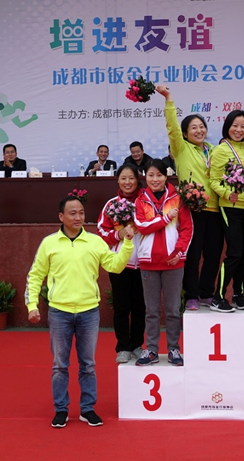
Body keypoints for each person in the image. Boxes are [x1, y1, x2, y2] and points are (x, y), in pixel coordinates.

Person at [26, 195, 135, 428]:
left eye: (81, 213)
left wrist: (127, 244)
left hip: (89, 312)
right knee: (59, 365)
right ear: (61, 216)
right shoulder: (49, 243)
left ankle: (87, 409)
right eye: (72, 213)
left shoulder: (95, 242)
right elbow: (35, 275)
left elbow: (115, 266)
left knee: (88, 364)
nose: (78, 217)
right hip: (59, 312)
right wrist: (32, 305)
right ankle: (61, 410)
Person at [155, 85, 223, 312]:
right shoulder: (181, 149)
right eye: (193, 127)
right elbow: (172, 127)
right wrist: (168, 98)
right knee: (192, 255)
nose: (199, 130)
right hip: (193, 210)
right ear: (184, 134)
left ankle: (206, 293)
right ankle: (191, 295)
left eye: (202, 126)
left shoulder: (215, 150)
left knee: (213, 255)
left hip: (217, 209)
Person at [133, 159, 193, 366]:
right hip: (149, 262)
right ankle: (151, 350)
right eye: (151, 175)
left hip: (173, 262)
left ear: (166, 176)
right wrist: (166, 219)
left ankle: (174, 349)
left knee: (173, 309)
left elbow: (187, 229)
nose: (155, 179)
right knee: (151, 310)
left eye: (159, 175)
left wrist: (179, 252)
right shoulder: (141, 200)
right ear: (145, 177)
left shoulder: (178, 199)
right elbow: (142, 226)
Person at [209, 110, 244, 312]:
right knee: (234, 253)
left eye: (243, 126)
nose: (239, 130)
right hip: (230, 208)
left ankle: (238, 295)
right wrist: (227, 193)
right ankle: (218, 297)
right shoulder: (220, 150)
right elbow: (213, 180)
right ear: (227, 127)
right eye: (235, 126)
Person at [96, 163, 146, 364]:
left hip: (144, 262)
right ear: (117, 180)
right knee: (121, 307)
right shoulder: (112, 204)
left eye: (131, 178)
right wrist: (119, 234)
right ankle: (123, 347)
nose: (127, 182)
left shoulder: (146, 201)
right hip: (120, 264)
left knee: (140, 307)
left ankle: (137, 345)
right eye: (123, 178)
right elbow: (101, 231)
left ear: (138, 179)